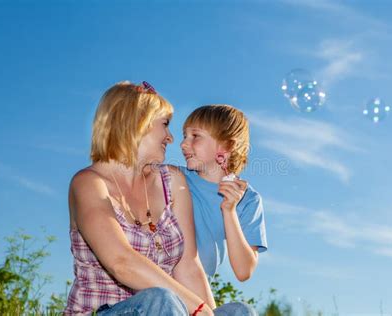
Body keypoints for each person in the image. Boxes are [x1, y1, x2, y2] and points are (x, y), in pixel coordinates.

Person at [64, 81, 216, 315]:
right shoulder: (88, 184)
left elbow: (188, 266)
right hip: (105, 311)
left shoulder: (173, 181)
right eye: (165, 125)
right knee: (160, 300)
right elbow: (121, 262)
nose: (170, 138)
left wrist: (210, 313)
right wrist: (196, 309)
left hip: (170, 309)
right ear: (137, 123)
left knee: (237, 311)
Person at [179, 104, 268, 281]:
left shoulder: (248, 199)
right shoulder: (175, 178)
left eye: (195, 136)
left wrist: (229, 210)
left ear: (226, 146)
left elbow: (244, 271)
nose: (183, 144)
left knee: (242, 310)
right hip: (167, 281)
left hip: (199, 290)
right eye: (185, 136)